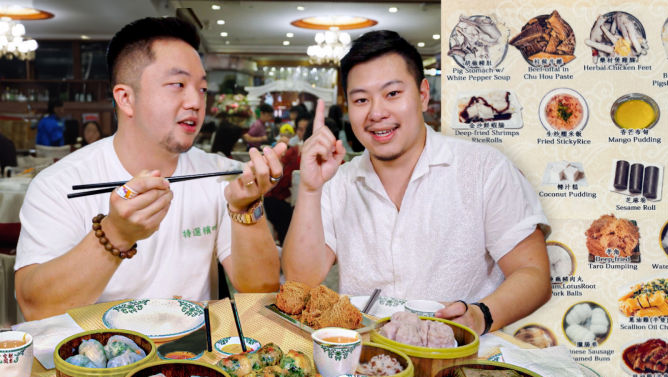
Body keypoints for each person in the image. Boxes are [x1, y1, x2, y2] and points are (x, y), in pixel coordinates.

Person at [282, 30, 551, 336]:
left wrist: (481, 316)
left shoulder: (483, 168)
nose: (377, 112)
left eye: (392, 94)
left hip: (456, 361)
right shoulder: (339, 182)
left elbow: (534, 274)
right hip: (364, 359)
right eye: (361, 99)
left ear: (423, 95)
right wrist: (310, 188)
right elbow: (301, 283)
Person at [15, 17, 284, 320]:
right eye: (177, 85)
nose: (196, 101)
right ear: (126, 98)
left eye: (203, 88)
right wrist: (115, 233)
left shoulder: (222, 174)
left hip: (191, 360)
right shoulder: (60, 183)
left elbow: (262, 289)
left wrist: (245, 208)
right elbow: (35, 306)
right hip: (95, 360)